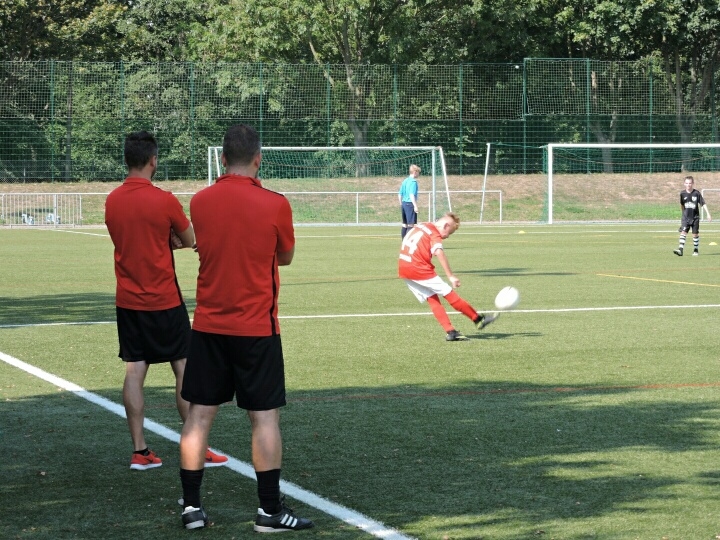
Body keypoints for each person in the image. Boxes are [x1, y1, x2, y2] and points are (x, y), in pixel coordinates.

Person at [178, 124, 314, 532]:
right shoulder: (275, 203)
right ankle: (269, 512)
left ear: (222, 159)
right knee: (264, 418)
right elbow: (285, 256)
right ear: (258, 159)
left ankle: (191, 508)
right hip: (256, 328)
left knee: (199, 416)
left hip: (208, 326)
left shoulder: (200, 201)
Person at [105, 131, 228, 471]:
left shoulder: (112, 201)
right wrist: (171, 238)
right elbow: (190, 239)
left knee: (135, 370)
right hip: (163, 299)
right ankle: (196, 446)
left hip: (128, 301)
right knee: (185, 368)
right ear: (153, 160)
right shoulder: (164, 200)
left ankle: (140, 451)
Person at [399, 212, 498, 341]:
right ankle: (477, 319)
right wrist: (450, 276)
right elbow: (438, 252)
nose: (447, 236)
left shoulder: (422, 225)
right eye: (449, 233)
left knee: (431, 297)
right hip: (418, 268)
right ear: (446, 225)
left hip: (404, 267)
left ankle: (451, 332)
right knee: (448, 292)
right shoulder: (434, 233)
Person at [673, 175, 712, 256]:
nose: (688, 185)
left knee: (695, 234)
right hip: (685, 218)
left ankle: (695, 250)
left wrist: (708, 214)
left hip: (695, 217)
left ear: (693, 183)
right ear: (684, 184)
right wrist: (683, 214)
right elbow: (682, 205)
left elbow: (703, 204)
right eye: (687, 183)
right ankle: (680, 250)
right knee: (683, 232)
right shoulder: (682, 193)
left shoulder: (696, 193)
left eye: (690, 183)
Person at [398, 164, 421, 238]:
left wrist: (401, 204)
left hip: (404, 204)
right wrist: (415, 206)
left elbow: (400, 194)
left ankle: (403, 242)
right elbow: (411, 195)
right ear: (415, 172)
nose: (418, 174)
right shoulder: (413, 182)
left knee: (404, 224)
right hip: (410, 204)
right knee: (411, 225)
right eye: (418, 172)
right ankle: (408, 242)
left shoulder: (405, 181)